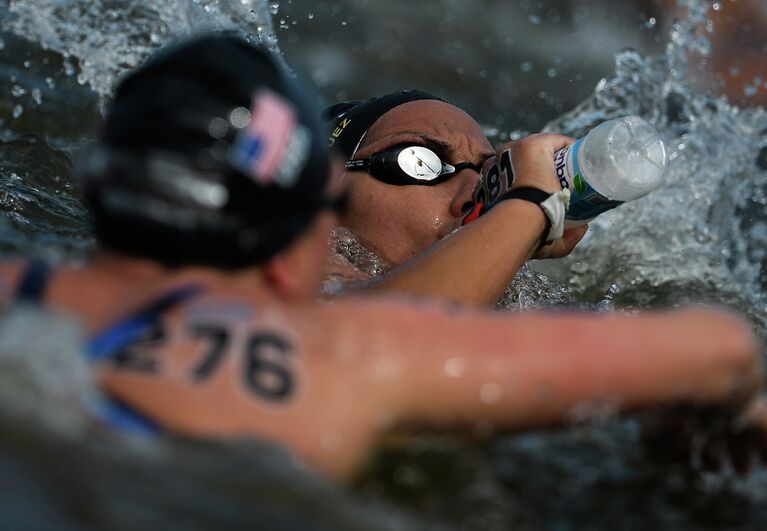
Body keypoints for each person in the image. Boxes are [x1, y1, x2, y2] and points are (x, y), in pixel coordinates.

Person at [5, 34, 767, 480]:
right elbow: (719, 343)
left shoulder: (20, 290)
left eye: (486, 170)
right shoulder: (346, 356)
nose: (470, 189)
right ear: (306, 226)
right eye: (421, 165)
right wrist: (525, 204)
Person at [324, 91, 588, 307]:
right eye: (421, 162)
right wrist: (530, 202)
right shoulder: (292, 266)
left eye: (487, 177)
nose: (474, 194)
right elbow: (378, 343)